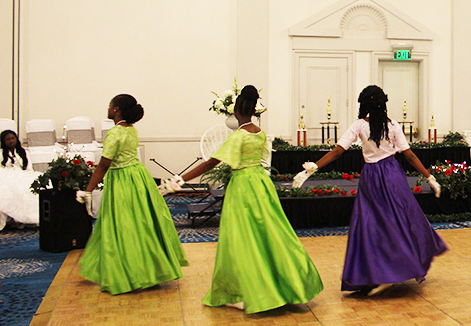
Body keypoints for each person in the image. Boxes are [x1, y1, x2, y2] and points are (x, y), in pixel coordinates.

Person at [168, 86, 322, 311]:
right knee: (271, 233)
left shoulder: (238, 136)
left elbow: (212, 162)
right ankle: (286, 283)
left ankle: (245, 291)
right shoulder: (259, 132)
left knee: (240, 238)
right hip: (260, 184)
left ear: (236, 111)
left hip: (242, 186)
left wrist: (180, 179)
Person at [296, 85, 444, 296]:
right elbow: (409, 155)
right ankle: (389, 272)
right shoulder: (392, 125)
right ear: (383, 104)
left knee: (370, 226)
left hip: (372, 177)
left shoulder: (359, 126)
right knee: (400, 221)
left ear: (363, 105)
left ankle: (382, 274)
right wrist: (430, 177)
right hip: (392, 175)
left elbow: (338, 151)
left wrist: (314, 167)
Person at [78, 95, 187, 295]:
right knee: (142, 223)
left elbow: (104, 164)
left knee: (124, 225)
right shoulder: (131, 130)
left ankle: (131, 272)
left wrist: (88, 189)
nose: (108, 108)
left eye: (110, 105)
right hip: (138, 176)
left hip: (122, 180)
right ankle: (151, 268)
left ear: (116, 108)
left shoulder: (115, 132)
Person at [0, 130, 41, 226]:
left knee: (31, 188)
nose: (11, 141)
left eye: (12, 138)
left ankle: (28, 220)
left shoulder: (23, 152)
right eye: (8, 139)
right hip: (6, 177)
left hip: (23, 175)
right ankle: (14, 219)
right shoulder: (1, 153)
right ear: (3, 142)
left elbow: (29, 168)